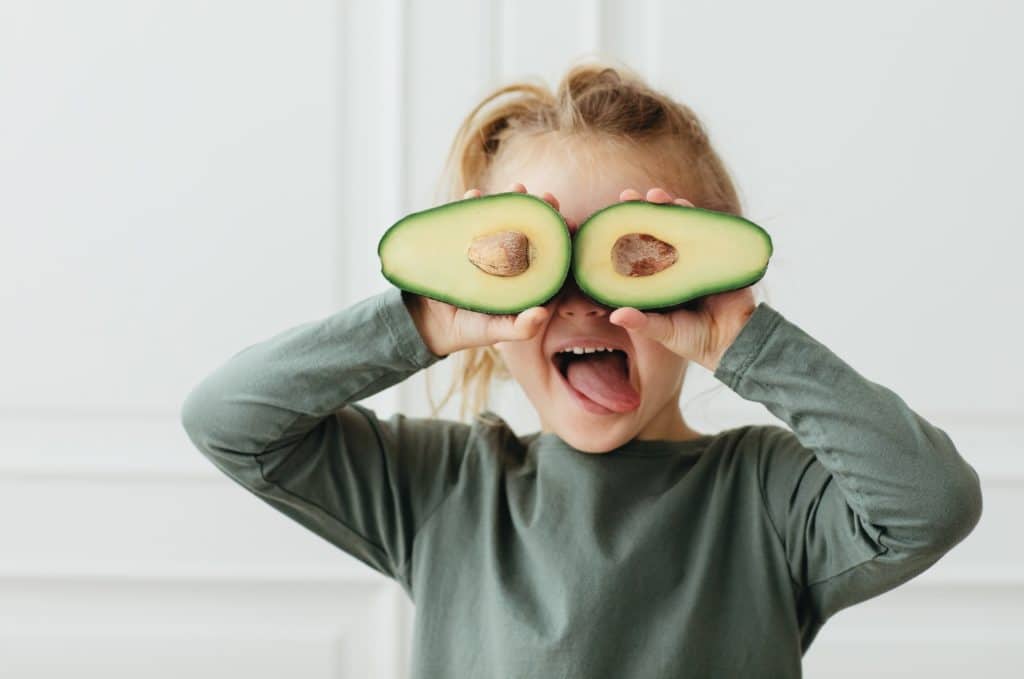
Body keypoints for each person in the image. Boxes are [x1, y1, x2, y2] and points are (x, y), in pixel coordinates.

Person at [180, 61, 983, 677]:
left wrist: (747, 340)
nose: (583, 300)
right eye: (543, 263)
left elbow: (933, 502)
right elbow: (229, 420)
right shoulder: (442, 488)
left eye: (632, 259)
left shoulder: (767, 497)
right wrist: (424, 318)